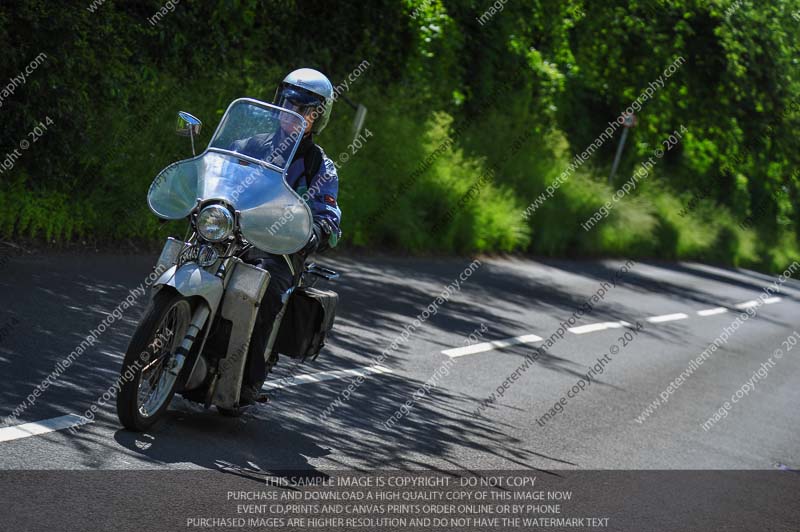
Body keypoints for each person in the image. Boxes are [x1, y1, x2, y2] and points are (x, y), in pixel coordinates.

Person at [234, 68, 342, 404]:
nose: (291, 113)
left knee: (263, 292)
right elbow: (219, 174)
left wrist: (317, 233)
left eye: (303, 108)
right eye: (287, 102)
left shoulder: (318, 167)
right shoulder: (250, 145)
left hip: (279, 249)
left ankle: (249, 379)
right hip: (232, 233)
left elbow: (329, 216)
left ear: (317, 117)